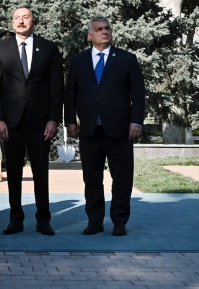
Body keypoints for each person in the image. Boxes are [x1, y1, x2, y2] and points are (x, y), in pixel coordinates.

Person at [64, 16, 145, 237]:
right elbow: (69, 94)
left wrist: (136, 121)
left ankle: (119, 221)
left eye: (107, 28)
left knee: (122, 178)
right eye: (99, 29)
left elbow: (138, 94)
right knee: (91, 179)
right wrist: (70, 121)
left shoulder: (126, 59)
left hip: (119, 130)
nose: (104, 32)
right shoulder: (78, 61)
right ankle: (94, 221)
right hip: (89, 130)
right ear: (90, 35)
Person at [0, 6, 64, 236]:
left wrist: (53, 119)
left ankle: (43, 220)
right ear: (12, 22)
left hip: (41, 122)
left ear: (33, 21)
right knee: (13, 172)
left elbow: (57, 87)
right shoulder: (1, 49)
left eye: (25, 17)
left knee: (41, 172)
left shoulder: (48, 48)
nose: (21, 22)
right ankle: (15, 219)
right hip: (11, 122)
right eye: (17, 18)